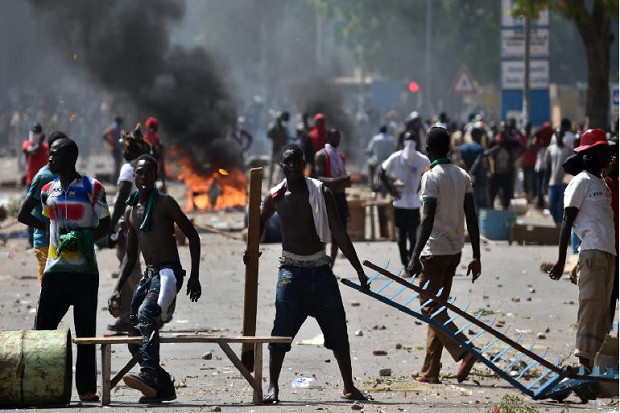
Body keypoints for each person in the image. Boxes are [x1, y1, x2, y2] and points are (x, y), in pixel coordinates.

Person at [255, 144, 370, 403]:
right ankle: (273, 387)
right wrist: (252, 249)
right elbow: (258, 224)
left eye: (297, 162)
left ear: (304, 164)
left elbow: (339, 233)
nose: (293, 166)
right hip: (291, 272)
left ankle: (349, 386)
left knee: (338, 332)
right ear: (281, 167)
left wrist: (359, 271)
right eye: (288, 162)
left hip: (320, 270)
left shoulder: (321, 192)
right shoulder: (275, 197)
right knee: (280, 332)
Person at [109, 154, 202, 403]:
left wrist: (194, 276)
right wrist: (117, 289)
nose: (144, 178)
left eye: (150, 173)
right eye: (140, 173)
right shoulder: (131, 211)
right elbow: (130, 256)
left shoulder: (165, 203)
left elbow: (193, 236)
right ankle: (162, 387)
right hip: (149, 276)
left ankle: (148, 374)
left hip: (169, 273)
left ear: (155, 177)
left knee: (147, 314)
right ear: (134, 176)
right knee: (133, 334)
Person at [36, 136, 111, 402]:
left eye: (54, 155)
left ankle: (87, 388)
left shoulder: (93, 187)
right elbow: (48, 225)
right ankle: (43, 381)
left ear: (69, 158)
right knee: (43, 328)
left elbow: (107, 224)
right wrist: (46, 261)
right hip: (56, 270)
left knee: (85, 332)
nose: (49, 159)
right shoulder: (47, 190)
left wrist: (85, 237)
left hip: (85, 272)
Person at [406, 127, 481, 384]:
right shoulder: (462, 175)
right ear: (449, 148)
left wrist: (414, 255)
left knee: (429, 308)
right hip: (454, 252)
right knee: (437, 310)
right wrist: (477, 255)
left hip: (434, 252)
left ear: (427, 149)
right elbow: (472, 216)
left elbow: (426, 220)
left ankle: (464, 350)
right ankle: (430, 370)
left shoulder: (431, 177)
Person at [548, 129, 615, 373]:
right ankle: (583, 359)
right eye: (603, 151)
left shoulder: (601, 183)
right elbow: (567, 222)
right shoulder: (580, 182)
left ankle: (595, 362)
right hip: (592, 252)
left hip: (608, 253)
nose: (609, 155)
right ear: (589, 154)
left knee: (603, 308)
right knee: (590, 304)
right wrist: (561, 260)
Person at [107, 124, 151, 332]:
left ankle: (152, 310)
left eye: (126, 147)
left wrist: (109, 225)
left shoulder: (128, 168)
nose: (123, 150)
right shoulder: (144, 168)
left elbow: (122, 197)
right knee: (125, 271)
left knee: (130, 270)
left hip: (126, 225)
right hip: (136, 223)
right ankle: (126, 317)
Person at [17, 131, 62, 284]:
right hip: (44, 244)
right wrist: (48, 227)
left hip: (64, 245)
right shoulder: (43, 177)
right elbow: (22, 215)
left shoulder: (67, 176)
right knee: (47, 295)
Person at [380, 133, 430, 268]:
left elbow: (429, 171)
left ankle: (411, 260)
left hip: (413, 204)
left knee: (412, 237)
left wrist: (422, 184)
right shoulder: (396, 157)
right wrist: (391, 189)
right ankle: (405, 262)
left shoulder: (422, 159)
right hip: (400, 204)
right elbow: (382, 171)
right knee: (402, 237)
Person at [315, 129, 351, 266]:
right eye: (335, 137)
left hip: (340, 198)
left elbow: (344, 181)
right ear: (328, 137)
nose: (338, 139)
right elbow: (320, 178)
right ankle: (321, 264)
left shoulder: (340, 156)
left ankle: (331, 267)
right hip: (326, 198)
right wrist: (339, 180)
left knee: (339, 235)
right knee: (323, 234)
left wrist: (345, 181)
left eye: (339, 137)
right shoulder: (321, 155)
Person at [22, 122, 49, 247]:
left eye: (38, 133)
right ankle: (30, 240)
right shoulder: (28, 144)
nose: (35, 135)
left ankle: (45, 237)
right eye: (34, 133)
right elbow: (32, 151)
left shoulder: (45, 147)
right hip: (31, 183)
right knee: (29, 212)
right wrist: (39, 143)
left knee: (45, 211)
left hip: (45, 184)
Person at [488, 122, 523, 210]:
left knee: (507, 192)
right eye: (502, 134)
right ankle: (491, 209)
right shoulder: (495, 142)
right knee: (493, 192)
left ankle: (506, 209)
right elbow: (488, 153)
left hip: (508, 172)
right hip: (496, 172)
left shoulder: (511, 142)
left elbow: (522, 148)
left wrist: (516, 157)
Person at [544, 128, 573, 226]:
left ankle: (559, 225)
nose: (559, 137)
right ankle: (555, 221)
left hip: (563, 183)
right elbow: (548, 168)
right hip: (553, 182)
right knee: (552, 205)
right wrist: (545, 183)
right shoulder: (550, 150)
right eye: (557, 134)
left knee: (561, 205)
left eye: (561, 135)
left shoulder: (568, 150)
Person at [603, 138, 618, 328]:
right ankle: (604, 339)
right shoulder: (599, 184)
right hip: (607, 249)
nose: (612, 159)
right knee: (608, 298)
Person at [459, 124, 489, 209]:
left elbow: (460, 163)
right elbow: (484, 164)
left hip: (466, 177)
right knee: (480, 203)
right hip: (479, 179)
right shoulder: (480, 149)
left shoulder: (463, 148)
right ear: (476, 135)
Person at [366, 126, 396, 192]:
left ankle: (371, 184)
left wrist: (368, 152)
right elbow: (395, 150)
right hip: (388, 162)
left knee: (370, 167)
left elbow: (369, 150)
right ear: (386, 131)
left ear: (380, 131)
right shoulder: (391, 139)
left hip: (377, 161)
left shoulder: (375, 139)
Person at [144, 116, 167, 193]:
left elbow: (157, 142)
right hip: (150, 153)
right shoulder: (149, 134)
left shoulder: (154, 133)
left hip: (154, 153)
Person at [267, 111, 290, 186]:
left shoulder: (284, 129)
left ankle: (277, 186)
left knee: (280, 171)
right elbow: (269, 135)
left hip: (281, 151)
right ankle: (270, 186)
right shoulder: (274, 128)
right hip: (275, 151)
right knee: (272, 171)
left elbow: (285, 140)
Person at [534, 122, 553, 208]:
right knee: (543, 185)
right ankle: (541, 202)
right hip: (543, 167)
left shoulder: (546, 147)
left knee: (541, 185)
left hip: (542, 167)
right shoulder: (550, 147)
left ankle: (542, 202)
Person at [102, 117, 123, 184]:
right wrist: (110, 142)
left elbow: (104, 136)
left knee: (117, 164)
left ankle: (115, 180)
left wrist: (109, 141)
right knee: (117, 164)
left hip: (115, 148)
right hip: (115, 149)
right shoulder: (115, 128)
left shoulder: (114, 127)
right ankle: (114, 181)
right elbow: (104, 136)